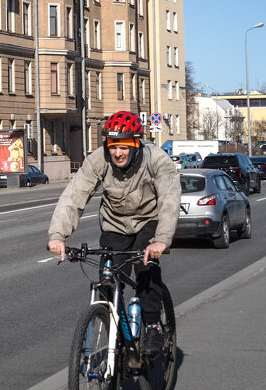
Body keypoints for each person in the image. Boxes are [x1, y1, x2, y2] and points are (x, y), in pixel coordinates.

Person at [47, 111, 180, 354]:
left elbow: (170, 202)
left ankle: (152, 326)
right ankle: (114, 338)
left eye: (124, 146)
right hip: (115, 225)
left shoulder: (158, 161)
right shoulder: (99, 160)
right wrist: (58, 234)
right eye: (112, 146)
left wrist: (161, 240)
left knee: (145, 265)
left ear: (136, 143)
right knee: (107, 281)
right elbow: (74, 195)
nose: (117, 153)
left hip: (148, 221)